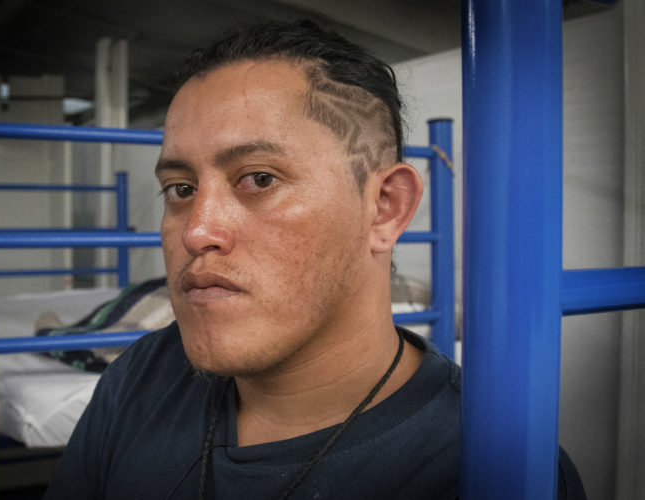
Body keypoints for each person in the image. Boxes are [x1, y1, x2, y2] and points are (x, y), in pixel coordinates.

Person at [44, 20, 584, 499]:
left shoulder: (491, 469)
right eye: (181, 189)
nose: (197, 230)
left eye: (259, 179)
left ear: (384, 208)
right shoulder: (142, 376)